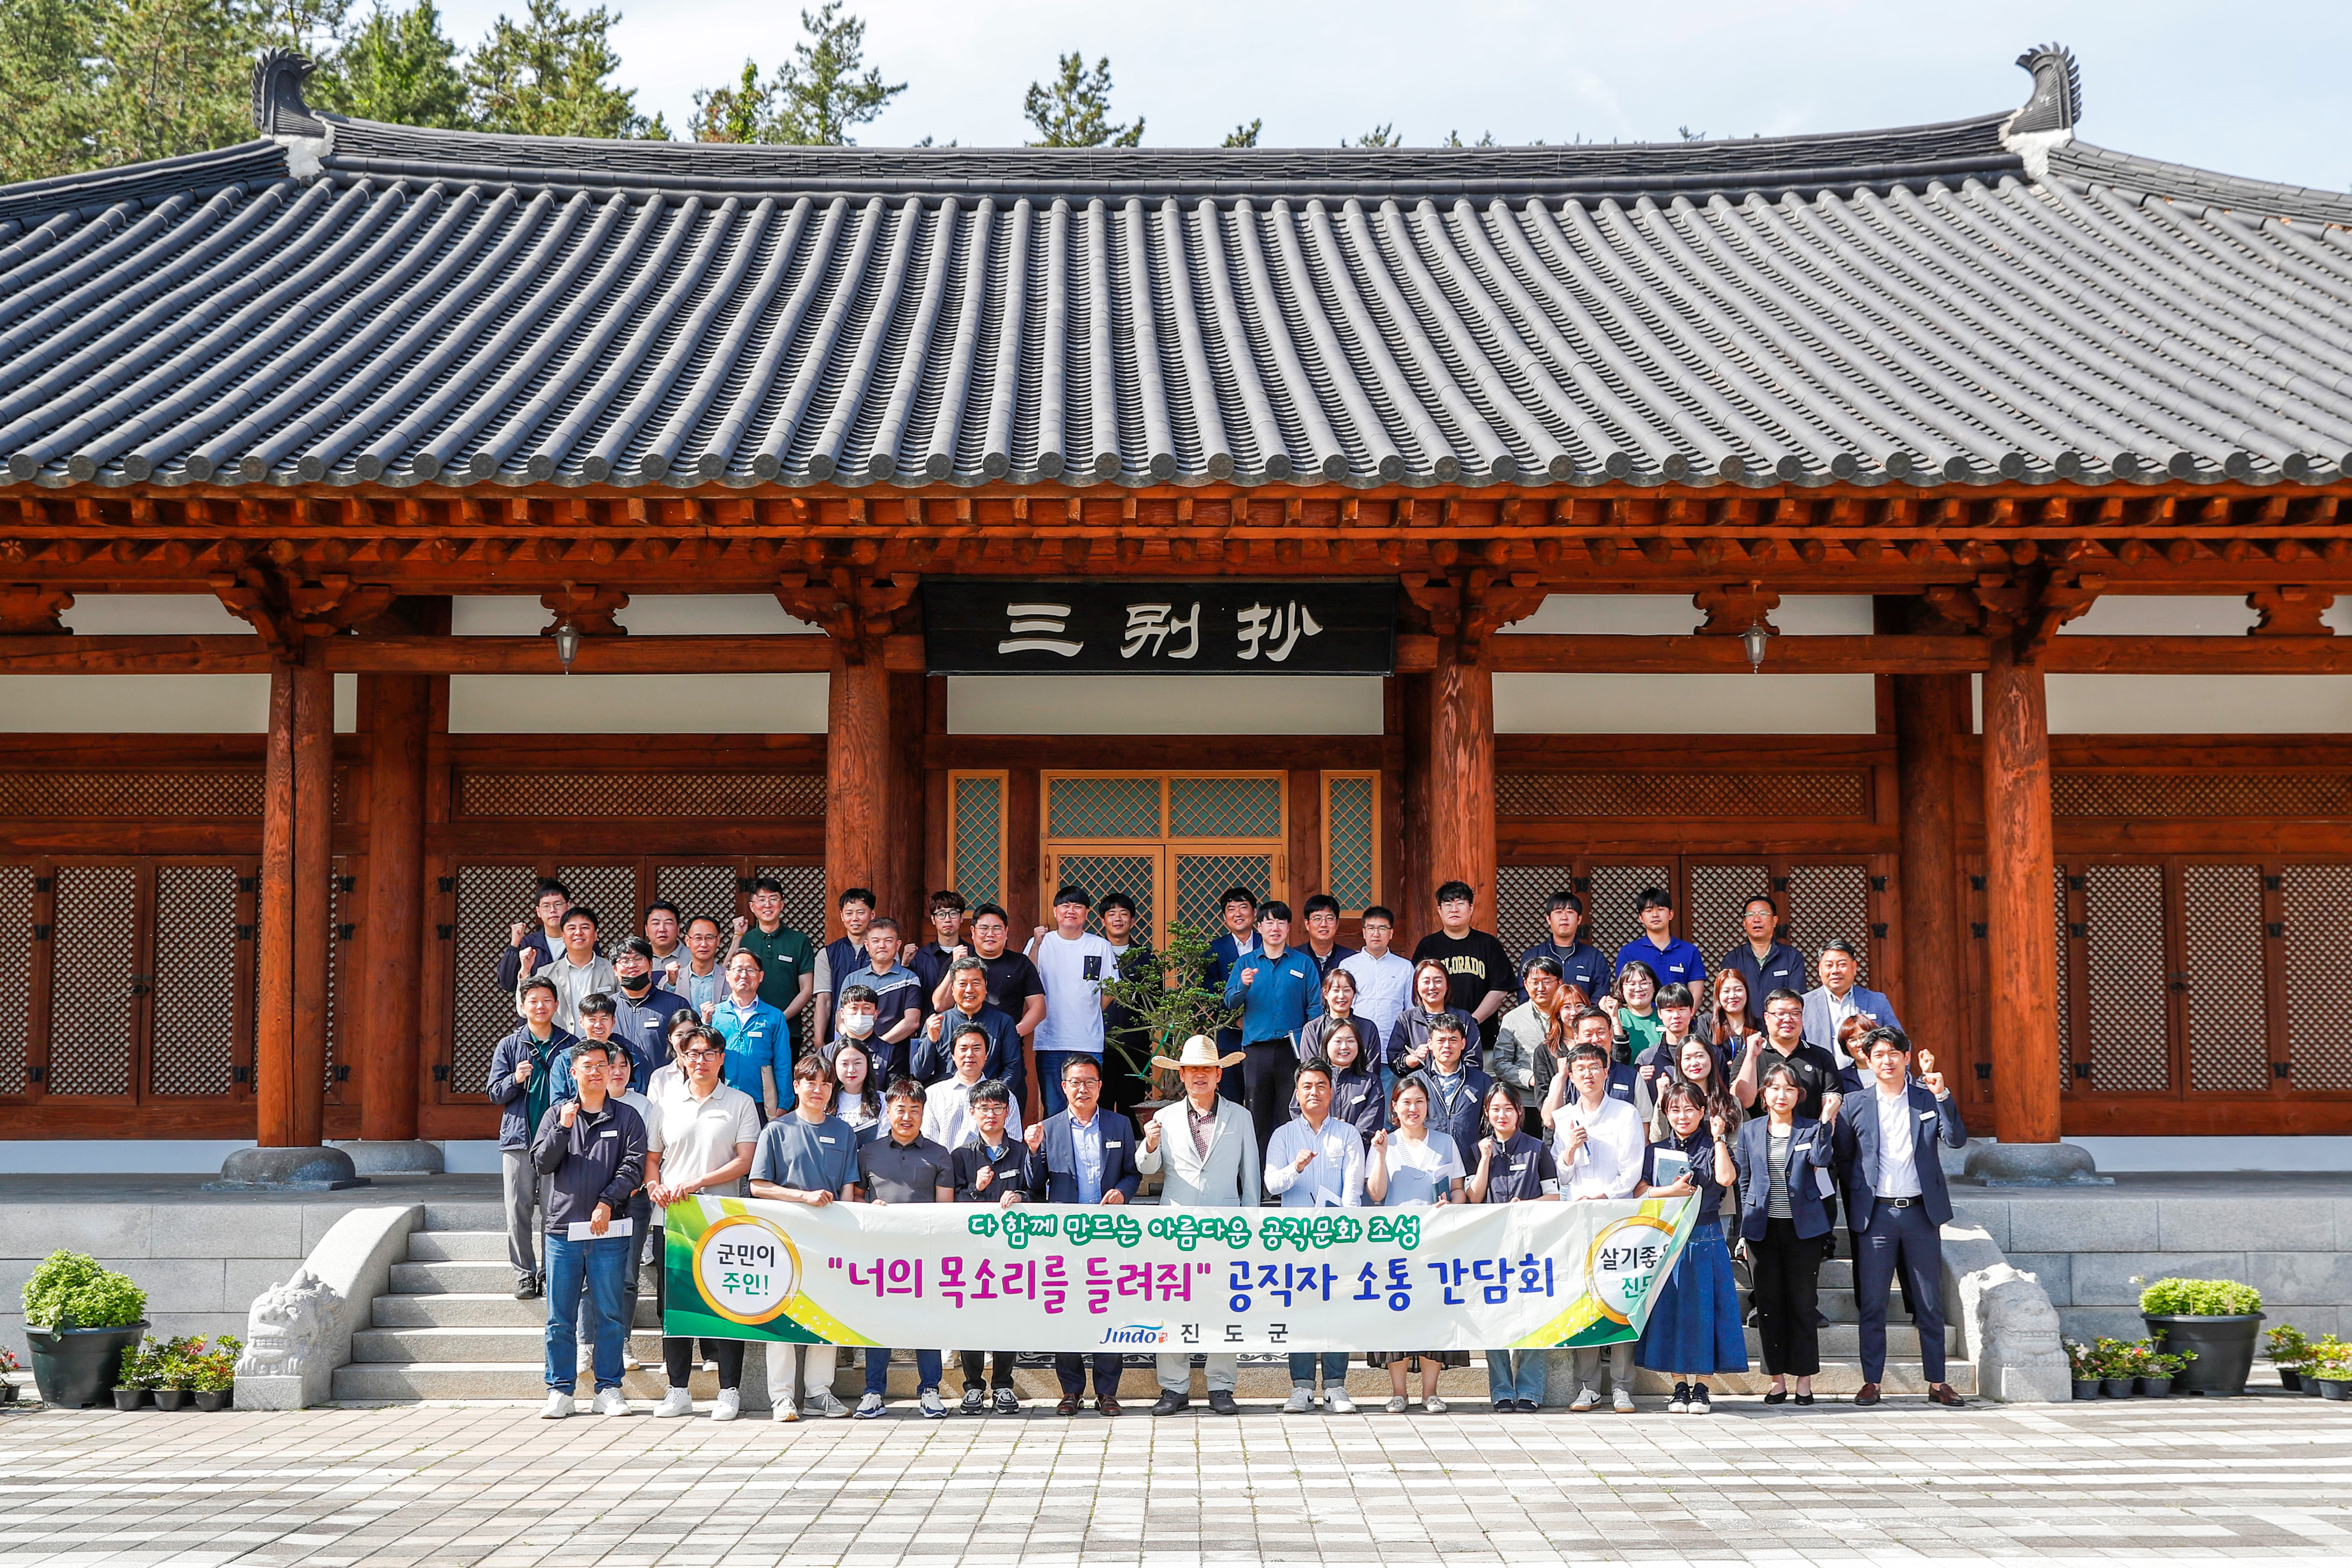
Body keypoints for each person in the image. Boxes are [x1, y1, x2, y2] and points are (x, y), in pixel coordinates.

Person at [1834, 1025, 1967, 1408]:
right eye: (1878, 1054)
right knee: (1873, 1302)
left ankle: (1938, 1381)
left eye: (1894, 1053)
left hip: (1920, 1214)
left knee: (1928, 1301)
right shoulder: (1854, 1103)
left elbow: (1955, 1138)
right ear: (1868, 1060)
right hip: (1875, 1214)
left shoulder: (1926, 1097)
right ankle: (1871, 1381)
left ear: (1907, 1058)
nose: (1887, 1060)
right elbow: (1843, 1156)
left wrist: (1941, 1093)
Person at [643, 1023, 761, 1420]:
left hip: (721, 1218)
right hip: (672, 1218)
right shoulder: (665, 1104)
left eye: (709, 1054)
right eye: (693, 1053)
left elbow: (745, 1161)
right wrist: (653, 1185)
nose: (701, 1061)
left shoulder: (741, 1102)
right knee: (674, 1307)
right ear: (682, 1057)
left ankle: (730, 1390)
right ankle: (678, 1389)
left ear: (722, 1058)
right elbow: (652, 1158)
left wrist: (697, 1182)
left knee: (727, 1304)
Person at [1135, 1035, 1257, 1416]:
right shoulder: (1164, 1117)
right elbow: (1147, 1169)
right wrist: (1149, 1144)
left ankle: (1221, 1385)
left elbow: (1249, 1176)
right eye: (1192, 1070)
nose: (1199, 1075)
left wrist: (1249, 1224)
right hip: (1175, 1225)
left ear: (1219, 1074)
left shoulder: (1240, 1116)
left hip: (1226, 1224)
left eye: (1206, 1068)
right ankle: (1173, 1387)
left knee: (1223, 1302)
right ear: (1182, 1075)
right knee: (1173, 1304)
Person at [531, 1037, 646, 1419]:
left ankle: (609, 1388)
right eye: (588, 1065)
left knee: (610, 1313)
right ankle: (560, 1390)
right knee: (559, 1315)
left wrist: (607, 1202)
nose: (596, 1072)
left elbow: (633, 1165)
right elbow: (543, 1162)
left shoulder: (627, 1117)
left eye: (603, 1064)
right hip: (563, 1229)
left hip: (609, 1231)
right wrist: (563, 1128)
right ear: (573, 1071)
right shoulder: (556, 1115)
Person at [1025, 1055, 1143, 1415]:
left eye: (1089, 1082)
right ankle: (1071, 1390)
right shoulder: (1049, 1127)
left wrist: (1123, 1192)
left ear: (1100, 1086)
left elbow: (1132, 1172)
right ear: (1063, 1087)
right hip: (1065, 1236)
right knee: (1068, 1312)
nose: (1082, 1088)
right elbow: (1034, 1186)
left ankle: (1107, 1391)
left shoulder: (1119, 1124)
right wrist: (1031, 1151)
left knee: (1108, 1308)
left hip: (1108, 1232)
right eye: (1075, 1082)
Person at [748, 1055, 860, 1421]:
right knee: (780, 1314)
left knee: (824, 1316)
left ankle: (818, 1392)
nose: (818, 1089)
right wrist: (803, 1196)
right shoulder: (776, 1130)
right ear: (796, 1086)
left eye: (825, 1083)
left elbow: (847, 1186)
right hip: (784, 1238)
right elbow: (758, 1185)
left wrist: (843, 1229)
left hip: (828, 1240)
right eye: (810, 1082)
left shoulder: (843, 1132)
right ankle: (781, 1396)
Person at [1543, 1041, 1645, 1413]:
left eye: (1593, 1067)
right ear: (1570, 1075)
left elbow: (1632, 1171)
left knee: (1619, 1301)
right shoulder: (1564, 1116)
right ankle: (1587, 1386)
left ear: (1606, 1071)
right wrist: (1569, 1148)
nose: (1587, 1073)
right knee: (1584, 1303)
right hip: (1578, 1219)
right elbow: (1560, 1172)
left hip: (1616, 1217)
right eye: (1579, 1068)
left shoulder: (1625, 1113)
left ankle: (1621, 1386)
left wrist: (1605, 1196)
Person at [1633, 1082, 1747, 1414]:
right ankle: (1679, 1386)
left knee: (1707, 1312)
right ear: (1665, 1113)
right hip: (1667, 1237)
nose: (1682, 1116)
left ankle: (1702, 1388)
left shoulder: (1712, 1146)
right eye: (1674, 1109)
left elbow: (1726, 1179)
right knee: (1671, 1312)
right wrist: (1667, 1191)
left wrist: (1718, 1136)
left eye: (1689, 1109)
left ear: (1702, 1111)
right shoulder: (1655, 1149)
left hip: (1706, 1233)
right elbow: (1639, 1190)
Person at [1263, 1057, 1365, 1413]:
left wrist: (1345, 1231)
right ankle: (1302, 1387)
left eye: (1321, 1085)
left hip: (1336, 1237)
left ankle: (1336, 1387)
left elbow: (1353, 1188)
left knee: (1337, 1309)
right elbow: (1271, 1184)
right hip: (1296, 1239)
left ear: (1332, 1091)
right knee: (1301, 1311)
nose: (1314, 1091)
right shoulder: (1283, 1135)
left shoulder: (1347, 1133)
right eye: (1307, 1085)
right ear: (1297, 1091)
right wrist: (1297, 1167)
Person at [850, 1079, 954, 1418]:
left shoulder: (939, 1155)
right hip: (880, 1252)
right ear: (888, 1111)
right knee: (880, 1322)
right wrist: (869, 1208)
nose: (907, 1116)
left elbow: (945, 1209)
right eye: (900, 1109)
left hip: (925, 1252)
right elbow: (854, 1198)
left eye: (915, 1109)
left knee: (927, 1322)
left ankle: (930, 1389)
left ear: (924, 1113)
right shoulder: (868, 1152)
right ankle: (873, 1392)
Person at [1735, 1061, 1836, 1405]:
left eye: (1789, 1089)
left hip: (1803, 1230)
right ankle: (1776, 1380)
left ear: (1798, 1095)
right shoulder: (1750, 1131)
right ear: (1763, 1094)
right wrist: (1743, 1231)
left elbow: (1823, 1161)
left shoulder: (1809, 1129)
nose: (1781, 1095)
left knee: (1803, 1305)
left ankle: (1804, 1382)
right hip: (1762, 1229)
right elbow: (1744, 1181)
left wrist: (1824, 1122)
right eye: (1774, 1088)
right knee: (1768, 1306)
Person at [1366, 1077, 1465, 1412]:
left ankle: (1430, 1392)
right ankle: (1398, 1392)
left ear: (1428, 1105)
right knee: (1395, 1313)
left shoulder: (1445, 1142)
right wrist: (1379, 1156)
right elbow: (1376, 1194)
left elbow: (1458, 1189)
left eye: (1419, 1101)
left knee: (1433, 1313)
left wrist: (1452, 1204)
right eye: (1405, 1101)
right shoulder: (1385, 1143)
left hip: (1436, 1242)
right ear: (1394, 1106)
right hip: (1393, 1244)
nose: (1413, 1108)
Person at [1468, 1081, 1559, 1412]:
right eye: (1495, 1109)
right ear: (1487, 1114)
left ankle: (1530, 1390)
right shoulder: (1478, 1149)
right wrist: (1484, 1160)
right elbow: (1472, 1198)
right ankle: (1502, 1390)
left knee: (1534, 1317)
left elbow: (1555, 1196)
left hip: (1532, 1248)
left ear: (1519, 1112)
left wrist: (1529, 1204)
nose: (1502, 1114)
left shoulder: (1537, 1149)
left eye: (1508, 1108)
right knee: (1494, 1320)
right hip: (1491, 1249)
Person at [487, 976, 576, 1300]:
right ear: (523, 1006)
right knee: (518, 1208)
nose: (540, 1006)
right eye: (533, 1000)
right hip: (518, 1139)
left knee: (555, 1210)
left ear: (556, 1005)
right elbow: (495, 1092)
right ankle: (525, 1274)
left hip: (557, 1139)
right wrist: (515, 1077)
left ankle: (551, 1271)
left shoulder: (569, 1044)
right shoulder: (510, 1045)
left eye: (546, 1000)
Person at [946, 1079, 1031, 1415]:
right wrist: (976, 1190)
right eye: (984, 1108)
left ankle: (1003, 1385)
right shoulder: (961, 1155)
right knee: (972, 1319)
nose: (991, 1114)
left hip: (1012, 1252)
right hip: (973, 1252)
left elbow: (1036, 1192)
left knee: (1007, 1317)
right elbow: (950, 1201)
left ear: (1007, 1112)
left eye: (997, 1107)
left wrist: (1020, 1198)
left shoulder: (1022, 1151)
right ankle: (973, 1387)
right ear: (972, 1113)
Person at [1225, 899, 1323, 1171]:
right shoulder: (1245, 963)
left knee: (1289, 1115)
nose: (1275, 928)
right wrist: (1243, 986)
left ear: (1289, 928)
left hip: (1294, 1051)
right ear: (1259, 927)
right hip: (1256, 1051)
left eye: (1281, 922)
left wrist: (1310, 1045)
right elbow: (1229, 1003)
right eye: (1269, 922)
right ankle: (1256, 1180)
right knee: (1257, 1115)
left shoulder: (1303, 964)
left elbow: (1315, 1007)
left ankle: (1287, 1176)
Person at [1026, 885, 1121, 1118]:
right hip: (1051, 1042)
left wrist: (1090, 1012)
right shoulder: (1040, 943)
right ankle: (1054, 1156)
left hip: (1088, 1041)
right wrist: (1037, 943)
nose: (1071, 911)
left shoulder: (1100, 946)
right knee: (1054, 1109)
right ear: (1056, 912)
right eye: (1065, 906)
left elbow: (1111, 989)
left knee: (1087, 1108)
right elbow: (1027, 978)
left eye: (1078, 906)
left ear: (1087, 913)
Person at [601, 1043, 659, 1371]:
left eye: (624, 1064)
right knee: (590, 1274)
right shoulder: (587, 1102)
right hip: (594, 1201)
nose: (619, 1070)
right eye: (612, 1065)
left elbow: (648, 1153)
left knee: (627, 1276)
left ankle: (621, 1340)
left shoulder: (643, 1105)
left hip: (635, 1198)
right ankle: (588, 1341)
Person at [927, 903, 1047, 1060]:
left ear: (1006, 932)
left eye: (997, 929)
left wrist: (1012, 1033)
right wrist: (955, 967)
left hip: (1006, 1048)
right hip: (963, 1049)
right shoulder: (958, 959)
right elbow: (940, 1005)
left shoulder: (1021, 964)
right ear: (973, 931)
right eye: (984, 929)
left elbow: (1039, 1009)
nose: (990, 934)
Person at [1410, 880, 1513, 1058]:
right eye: (1448, 904)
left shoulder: (1489, 944)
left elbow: (1500, 990)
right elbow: (1419, 990)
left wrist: (1471, 1022)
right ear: (1440, 910)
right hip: (1437, 1041)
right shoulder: (1428, 946)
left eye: (1460, 903)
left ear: (1471, 908)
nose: (1454, 909)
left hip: (1481, 1040)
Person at [727, 876, 816, 1036]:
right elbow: (727, 974)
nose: (767, 905)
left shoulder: (800, 941)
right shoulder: (746, 939)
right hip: (747, 1026)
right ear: (752, 907)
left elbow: (807, 990)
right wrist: (738, 935)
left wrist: (781, 1018)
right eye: (761, 900)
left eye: (773, 899)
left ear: (782, 905)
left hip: (788, 1029)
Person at [913, 956, 1023, 1086]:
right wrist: (931, 1041)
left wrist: (993, 1096)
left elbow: (1013, 1068)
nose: (969, 990)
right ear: (953, 989)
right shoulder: (938, 1023)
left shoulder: (1003, 1022)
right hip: (946, 1099)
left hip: (988, 1100)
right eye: (963, 984)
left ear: (985, 986)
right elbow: (920, 1073)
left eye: (976, 983)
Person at [838, 918, 925, 1078]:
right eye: (876, 941)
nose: (882, 946)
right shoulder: (852, 979)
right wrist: (857, 1046)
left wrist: (877, 1046)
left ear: (898, 945)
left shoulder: (910, 979)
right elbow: (840, 1021)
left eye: (888, 941)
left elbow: (912, 1022)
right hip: (853, 1058)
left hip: (894, 1059)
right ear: (867, 945)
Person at [1402, 1015, 1494, 1162]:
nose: (1447, 1046)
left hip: (1470, 1164)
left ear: (1463, 1043)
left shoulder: (1481, 1081)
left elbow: (1490, 1124)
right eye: (1441, 1040)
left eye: (1453, 1040)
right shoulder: (1415, 1082)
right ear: (1430, 1044)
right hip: (1426, 1161)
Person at [516, 906, 619, 1033]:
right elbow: (524, 1011)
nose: (578, 933)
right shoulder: (546, 973)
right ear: (563, 936)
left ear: (595, 935)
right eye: (572, 928)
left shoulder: (613, 971)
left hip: (601, 1048)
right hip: (559, 1047)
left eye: (585, 928)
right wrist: (525, 972)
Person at [1096, 893, 1154, 1115]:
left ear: (1133, 920)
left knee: (1133, 1106)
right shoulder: (1093, 954)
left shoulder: (1146, 959)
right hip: (1099, 1043)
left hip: (1135, 1045)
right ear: (1103, 921)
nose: (1118, 919)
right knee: (1102, 1106)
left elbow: (1154, 1006)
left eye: (1124, 914)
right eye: (1112, 914)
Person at [709, 950, 786, 1120]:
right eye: (738, 970)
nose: (744, 975)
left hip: (760, 1100)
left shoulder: (774, 1016)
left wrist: (784, 1102)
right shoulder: (716, 1014)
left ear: (761, 976)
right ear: (728, 975)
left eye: (751, 970)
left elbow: (783, 1063)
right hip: (720, 1098)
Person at [923, 1022, 1023, 1150]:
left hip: (990, 1167)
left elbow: (1013, 1143)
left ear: (986, 1055)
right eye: (963, 1049)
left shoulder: (1005, 1096)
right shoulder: (934, 1094)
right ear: (953, 1055)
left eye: (977, 1048)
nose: (970, 1054)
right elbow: (927, 1142)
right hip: (944, 1167)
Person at [1337, 906, 1414, 1068]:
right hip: (1356, 1052)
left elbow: (1411, 1011)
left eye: (1382, 928)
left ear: (1391, 933)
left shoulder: (1405, 967)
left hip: (1393, 1052)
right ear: (1364, 932)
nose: (1376, 934)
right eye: (1371, 928)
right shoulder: (1348, 966)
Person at [1492, 956, 1570, 1110]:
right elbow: (1500, 1063)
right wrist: (1533, 1079)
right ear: (1526, 985)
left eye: (1547, 981)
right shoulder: (1513, 1019)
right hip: (1527, 1100)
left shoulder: (1570, 1015)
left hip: (1568, 1098)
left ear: (1560, 983)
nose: (1541, 988)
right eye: (1534, 982)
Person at [1802, 938, 1903, 1057]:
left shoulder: (1877, 1001)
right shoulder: (1804, 1004)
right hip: (1821, 1074)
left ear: (1854, 967)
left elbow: (1899, 1041)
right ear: (1820, 969)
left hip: (1867, 1073)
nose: (1835, 971)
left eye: (1842, 965)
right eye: (1829, 965)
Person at [609, 937, 691, 1082]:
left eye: (638, 959)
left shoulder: (676, 1005)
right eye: (625, 960)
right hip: (618, 1093)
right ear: (615, 969)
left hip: (665, 1090)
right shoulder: (608, 1008)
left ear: (651, 964)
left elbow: (691, 1049)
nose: (632, 965)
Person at [1757, 988, 1843, 1124]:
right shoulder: (1752, 1056)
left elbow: (1832, 1098)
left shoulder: (1821, 1056)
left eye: (1795, 1014)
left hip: (1810, 1138)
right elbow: (1741, 1099)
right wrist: (1751, 1055)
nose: (1788, 1019)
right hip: (1762, 1140)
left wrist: (1820, 1133)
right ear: (1767, 1018)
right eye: (1780, 1014)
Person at [1387, 958, 1481, 1081]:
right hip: (1418, 1089)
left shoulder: (1463, 1018)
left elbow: (1474, 1061)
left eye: (1438, 981)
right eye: (1426, 982)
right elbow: (1395, 1061)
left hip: (1458, 1087)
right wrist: (1413, 1059)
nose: (1432, 987)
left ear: (1447, 985)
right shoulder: (1406, 1019)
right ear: (1416, 987)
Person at [1636, 1032, 1740, 1144]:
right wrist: (1661, 1101)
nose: (1694, 1063)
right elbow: (1657, 1139)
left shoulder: (1730, 1102)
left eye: (1700, 1056)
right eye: (1687, 1058)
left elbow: (1735, 1147)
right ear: (1679, 1063)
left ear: (1711, 1058)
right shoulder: (1673, 1101)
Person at [1514, 889, 1611, 1005]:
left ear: (1579, 919)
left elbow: (1600, 997)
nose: (1564, 917)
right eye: (1558, 912)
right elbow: (1524, 995)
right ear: (1549, 919)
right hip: (1542, 1022)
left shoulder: (1594, 957)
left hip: (1582, 1021)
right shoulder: (1533, 956)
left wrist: (1583, 1018)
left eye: (1570, 912)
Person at [811, 886, 877, 1050]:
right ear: (842, 916)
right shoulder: (827, 954)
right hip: (837, 1037)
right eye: (849, 913)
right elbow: (824, 1001)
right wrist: (819, 1040)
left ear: (872, 915)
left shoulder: (882, 952)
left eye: (861, 913)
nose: (855, 918)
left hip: (876, 1036)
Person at [1612, 886, 1704, 996]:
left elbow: (1696, 994)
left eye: (1661, 910)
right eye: (1649, 911)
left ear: (1671, 914)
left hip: (1677, 1013)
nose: (1655, 915)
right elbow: (1625, 991)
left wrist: (1681, 1013)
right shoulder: (1628, 952)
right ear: (1641, 918)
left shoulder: (1690, 951)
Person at [1719, 895, 1805, 1013]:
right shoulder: (1732, 960)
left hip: (1780, 1027)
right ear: (1744, 923)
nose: (1756, 919)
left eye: (1763, 914)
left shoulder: (1793, 958)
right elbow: (1729, 1000)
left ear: (1775, 921)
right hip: (1745, 1028)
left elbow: (1796, 999)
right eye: (1750, 915)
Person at [1306, 1019, 1386, 1140]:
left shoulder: (1371, 1083)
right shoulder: (1312, 1079)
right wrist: (1325, 1130)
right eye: (1338, 1041)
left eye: (1350, 1041)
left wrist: (1345, 1135)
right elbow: (1299, 1112)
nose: (1344, 1047)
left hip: (1356, 1152)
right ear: (1326, 1045)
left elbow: (1370, 1125)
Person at [1700, 968, 1767, 1108]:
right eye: (1726, 991)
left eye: (1738, 990)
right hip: (1715, 1098)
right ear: (1718, 995)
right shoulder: (1706, 1024)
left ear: (1747, 993)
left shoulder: (1761, 1026)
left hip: (1753, 1101)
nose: (1733, 996)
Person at [904, 890, 969, 1018]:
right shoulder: (921, 956)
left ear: (961, 918)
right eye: (941, 914)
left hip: (965, 1030)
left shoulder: (972, 954)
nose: (948, 919)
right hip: (928, 1029)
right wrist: (905, 965)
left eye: (953, 914)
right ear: (933, 919)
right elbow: (907, 997)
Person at [498, 878, 570, 992]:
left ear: (568, 906)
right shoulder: (528, 944)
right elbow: (507, 984)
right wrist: (514, 945)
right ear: (538, 911)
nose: (553, 910)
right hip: (538, 1008)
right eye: (546, 906)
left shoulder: (580, 941)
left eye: (558, 904)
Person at [663, 915, 728, 1017]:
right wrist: (671, 984)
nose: (703, 944)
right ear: (687, 941)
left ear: (718, 941)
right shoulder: (670, 978)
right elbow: (663, 1010)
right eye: (698, 938)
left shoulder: (731, 978)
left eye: (709, 938)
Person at [823, 1039, 885, 1143]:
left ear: (868, 1066)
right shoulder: (825, 1099)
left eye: (858, 1063)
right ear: (835, 1067)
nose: (851, 1070)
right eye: (844, 1064)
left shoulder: (882, 1100)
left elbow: (885, 1137)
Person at [1602, 961, 1663, 1063]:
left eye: (1644, 984)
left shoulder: (1665, 1017)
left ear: (1654, 987)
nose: (1638, 989)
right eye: (1632, 984)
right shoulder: (1613, 1018)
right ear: (1622, 989)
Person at [1298, 893, 1356, 981]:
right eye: (1317, 919)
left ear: (1337, 924)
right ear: (1307, 924)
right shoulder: (1295, 957)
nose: (1324, 924)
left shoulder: (1351, 959)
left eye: (1330, 919)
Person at [643, 899, 686, 976]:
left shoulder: (694, 959)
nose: (662, 929)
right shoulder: (638, 959)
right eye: (656, 923)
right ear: (647, 930)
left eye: (668, 923)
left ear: (678, 929)